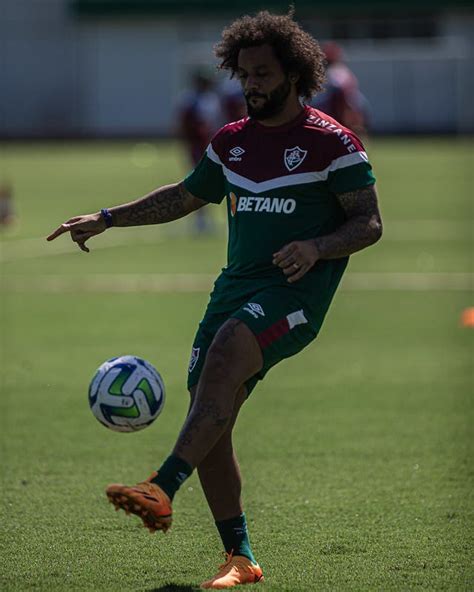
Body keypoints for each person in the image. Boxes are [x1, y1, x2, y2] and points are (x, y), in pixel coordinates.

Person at [47, 9, 382, 589]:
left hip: (294, 295)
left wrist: (317, 246)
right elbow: (184, 195)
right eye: (244, 73)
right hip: (235, 287)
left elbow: (370, 224)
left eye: (262, 74)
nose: (250, 84)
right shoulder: (232, 142)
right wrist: (107, 218)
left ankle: (161, 487)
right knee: (212, 410)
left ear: (295, 75)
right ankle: (241, 559)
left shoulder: (333, 144)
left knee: (228, 353)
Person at [177, 69, 224, 234]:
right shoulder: (191, 99)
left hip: (211, 143)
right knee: (199, 180)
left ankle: (208, 218)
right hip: (198, 144)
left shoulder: (212, 98)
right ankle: (200, 219)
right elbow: (185, 122)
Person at [311, 41, 370, 137]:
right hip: (337, 107)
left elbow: (343, 91)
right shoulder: (336, 71)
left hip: (341, 106)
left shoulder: (337, 71)